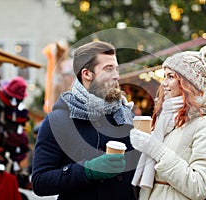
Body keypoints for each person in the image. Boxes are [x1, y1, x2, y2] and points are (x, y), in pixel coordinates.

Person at [32, 41, 140, 199]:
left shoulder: (127, 116)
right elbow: (40, 182)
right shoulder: (57, 120)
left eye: (116, 68)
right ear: (87, 74)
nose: (116, 75)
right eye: (108, 69)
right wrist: (87, 170)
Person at [130, 45, 206, 200]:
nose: (164, 83)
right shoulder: (166, 119)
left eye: (171, 77)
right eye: (164, 76)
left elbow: (200, 186)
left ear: (189, 82)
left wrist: (157, 150)